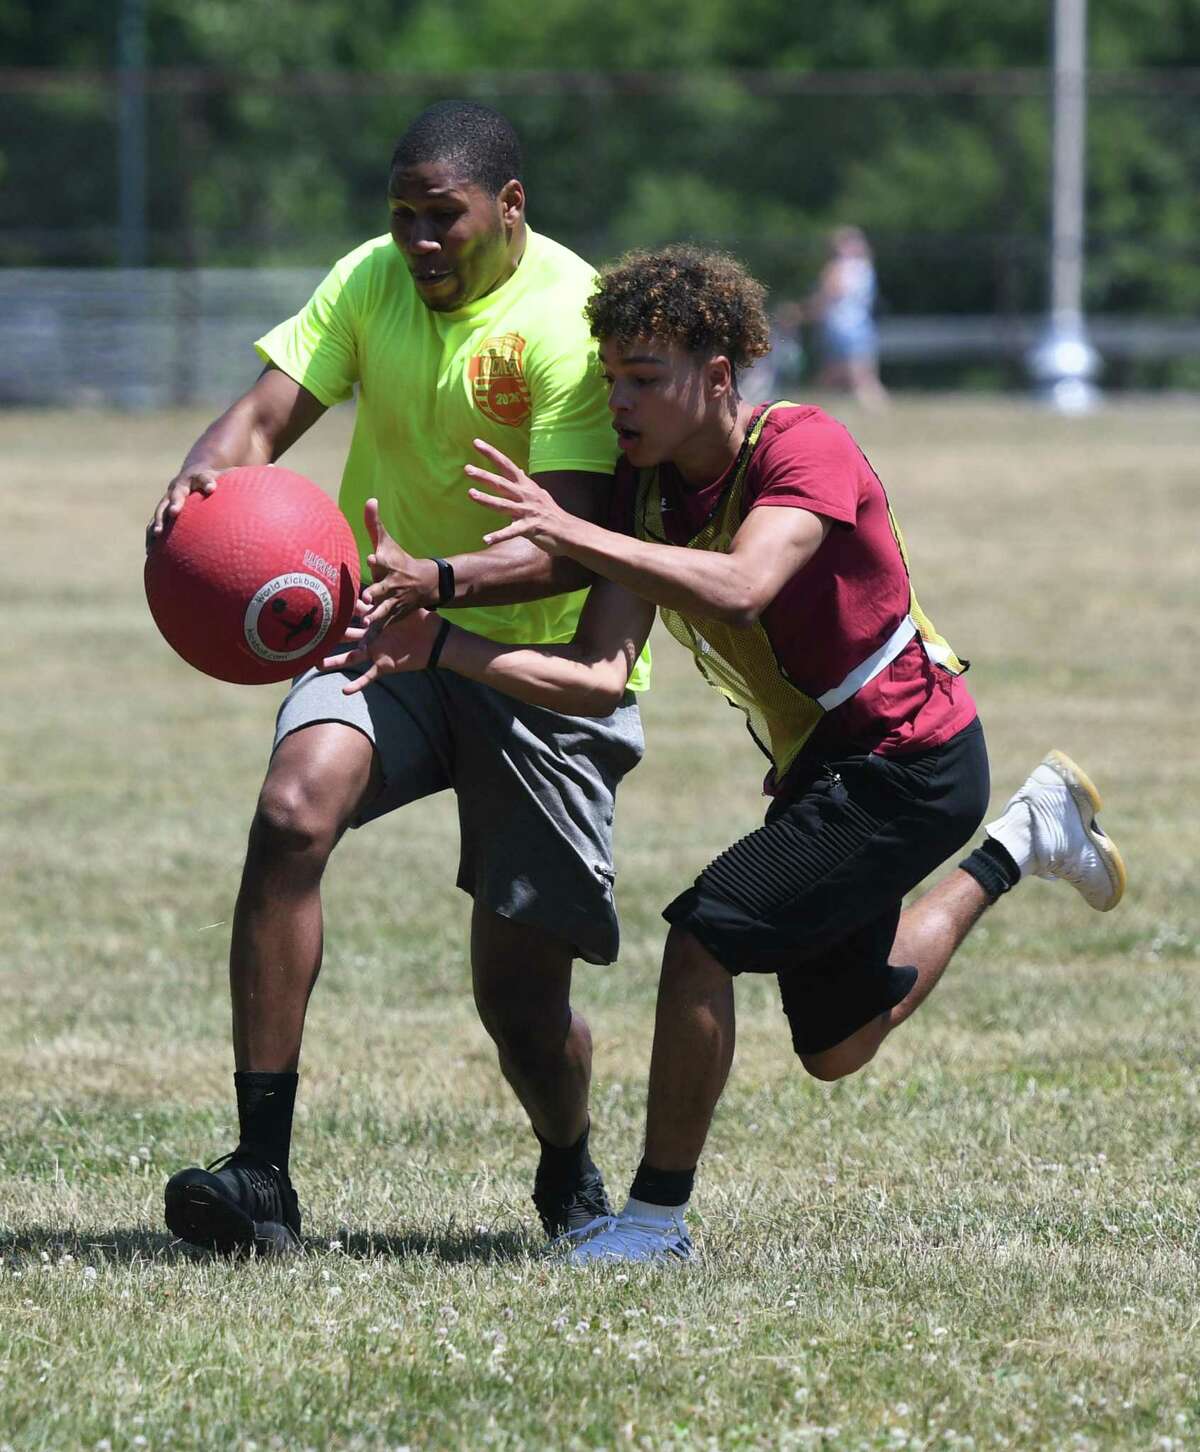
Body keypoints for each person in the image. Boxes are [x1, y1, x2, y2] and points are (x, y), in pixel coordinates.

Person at [336, 244, 1127, 1265]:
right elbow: (597, 678)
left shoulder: (803, 445)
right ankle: (1025, 839)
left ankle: (656, 1223)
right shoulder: (647, 497)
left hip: (912, 754)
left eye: (645, 379)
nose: (619, 401)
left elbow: (745, 585)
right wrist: (445, 639)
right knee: (839, 1046)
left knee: (704, 936)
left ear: (718, 379)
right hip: (828, 766)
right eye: (611, 376)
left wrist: (573, 533)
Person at [145, 100, 651, 1254]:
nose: (420, 239)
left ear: (510, 208)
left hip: (536, 663)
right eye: (404, 215)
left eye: (445, 217)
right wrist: (196, 486)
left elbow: (573, 536)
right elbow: (264, 418)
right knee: (289, 816)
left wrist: (439, 579)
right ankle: (261, 1176)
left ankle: (568, 1168)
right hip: (386, 629)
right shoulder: (369, 280)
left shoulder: (572, 322)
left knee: (520, 1006)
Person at [792, 225, 888, 410]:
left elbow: (828, 295)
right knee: (852, 374)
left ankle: (807, 407)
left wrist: (803, 312)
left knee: (851, 374)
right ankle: (877, 408)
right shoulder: (865, 268)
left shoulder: (840, 268)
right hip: (856, 326)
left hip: (843, 326)